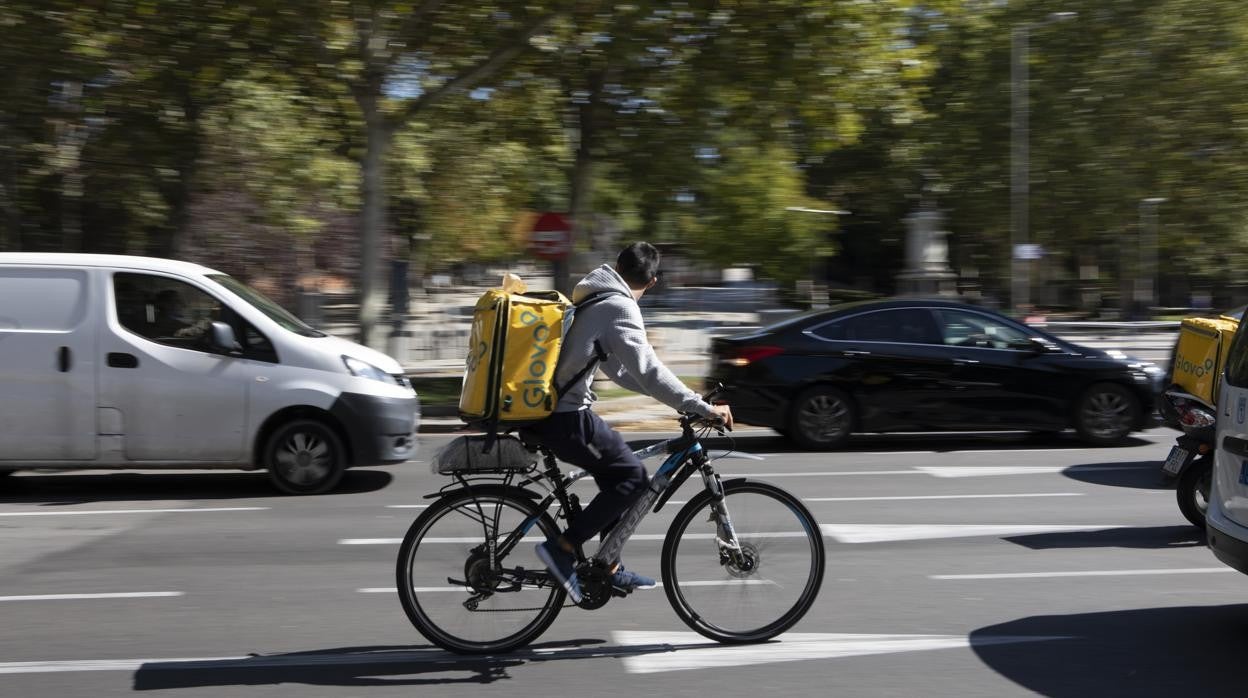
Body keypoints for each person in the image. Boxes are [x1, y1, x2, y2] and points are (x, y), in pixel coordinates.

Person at [528, 242, 734, 603]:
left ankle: (609, 565)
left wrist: (685, 400)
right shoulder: (619, 306)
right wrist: (699, 406)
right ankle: (561, 549)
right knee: (633, 478)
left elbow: (622, 371)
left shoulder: (598, 298)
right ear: (652, 282)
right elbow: (649, 370)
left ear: (618, 266)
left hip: (558, 414)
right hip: (566, 418)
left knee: (619, 475)